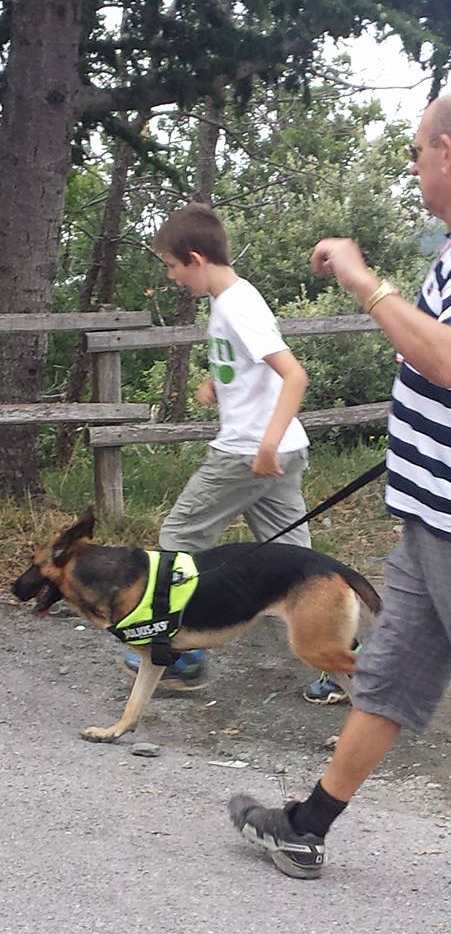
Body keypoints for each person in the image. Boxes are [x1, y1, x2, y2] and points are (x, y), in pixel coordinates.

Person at [228, 87, 451, 881]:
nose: (413, 166)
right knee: (388, 678)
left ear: (447, 152)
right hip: (438, 520)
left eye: (415, 151)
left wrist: (365, 281)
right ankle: (304, 826)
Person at [123, 201, 311, 686]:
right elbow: (246, 363)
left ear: (196, 259)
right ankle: (347, 662)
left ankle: (179, 655)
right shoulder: (228, 299)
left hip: (249, 451)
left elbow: (294, 376)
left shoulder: (240, 304)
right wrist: (217, 383)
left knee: (178, 538)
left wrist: (265, 445)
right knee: (296, 563)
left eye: (171, 266)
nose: (171, 277)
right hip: (281, 449)